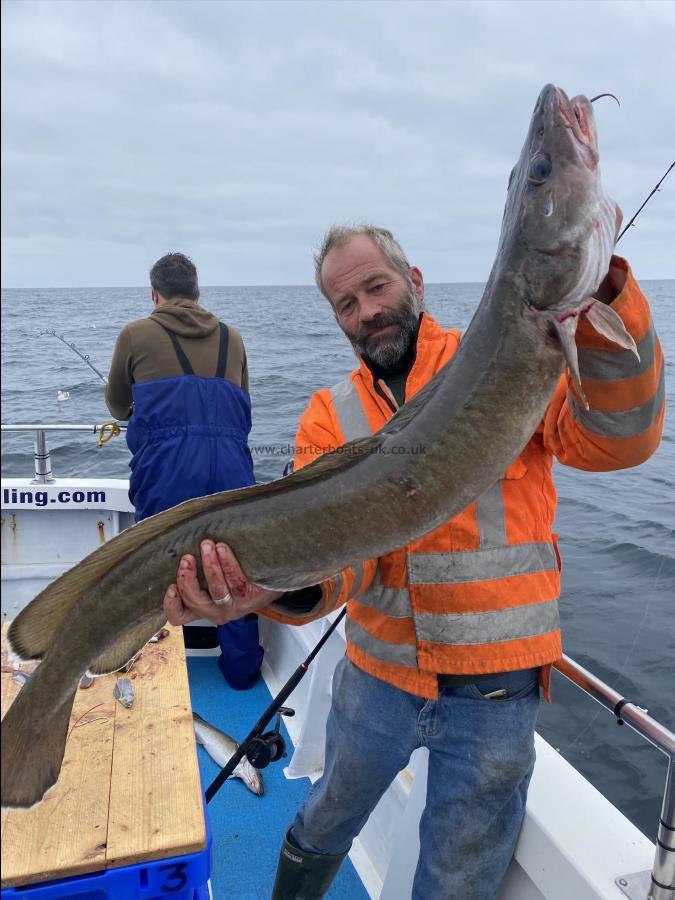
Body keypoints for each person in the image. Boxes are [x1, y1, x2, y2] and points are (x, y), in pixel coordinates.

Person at [162, 227, 664, 898]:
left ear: (415, 281)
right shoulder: (327, 415)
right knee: (325, 815)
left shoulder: (506, 361)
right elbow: (344, 564)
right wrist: (267, 587)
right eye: (345, 303)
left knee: (459, 873)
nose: (366, 312)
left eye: (377, 287)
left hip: (497, 689)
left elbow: (616, 442)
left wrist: (604, 293)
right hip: (377, 675)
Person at [106, 251, 263, 690]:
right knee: (233, 567)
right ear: (197, 293)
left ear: (155, 294)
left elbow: (118, 405)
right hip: (232, 468)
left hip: (166, 469)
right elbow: (244, 406)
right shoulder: (234, 338)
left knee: (156, 567)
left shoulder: (136, 334)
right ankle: (243, 670)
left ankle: (153, 673)